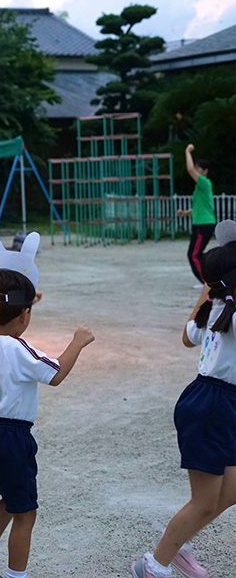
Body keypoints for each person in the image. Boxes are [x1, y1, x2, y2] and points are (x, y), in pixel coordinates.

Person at [0, 269, 93, 578]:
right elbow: (56, 373)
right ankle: (15, 575)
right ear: (23, 316)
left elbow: (1, 314)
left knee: (11, 498)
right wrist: (79, 341)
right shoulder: (17, 348)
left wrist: (27, 301)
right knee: (26, 511)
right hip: (12, 438)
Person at [131, 227, 235, 578]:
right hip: (211, 405)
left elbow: (187, 335)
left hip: (219, 403)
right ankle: (153, 566)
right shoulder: (226, 312)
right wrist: (211, 292)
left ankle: (179, 543)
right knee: (205, 500)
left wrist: (209, 292)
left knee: (231, 490)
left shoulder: (218, 308)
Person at [176, 145, 215, 288]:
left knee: (193, 255)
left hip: (203, 224)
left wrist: (187, 151)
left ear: (205, 171)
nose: (196, 171)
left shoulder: (204, 182)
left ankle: (207, 283)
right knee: (197, 254)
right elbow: (199, 207)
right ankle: (208, 278)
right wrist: (185, 213)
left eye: (199, 169)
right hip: (203, 223)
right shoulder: (201, 187)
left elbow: (190, 169)